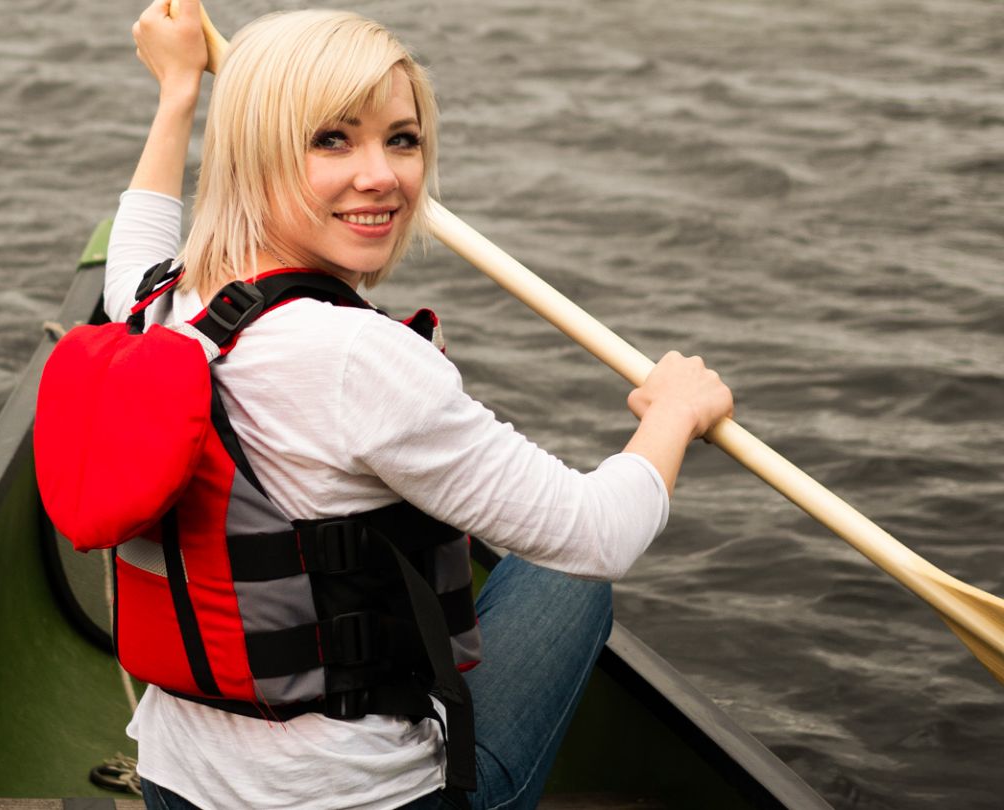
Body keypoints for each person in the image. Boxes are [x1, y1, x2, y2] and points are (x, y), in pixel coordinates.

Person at [104, 2, 734, 808]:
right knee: (570, 580)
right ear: (254, 155)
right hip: (357, 799)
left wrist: (178, 89)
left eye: (401, 139)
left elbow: (134, 250)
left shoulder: (162, 308)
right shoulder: (358, 358)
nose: (385, 175)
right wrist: (673, 413)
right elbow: (597, 534)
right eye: (333, 138)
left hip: (179, 784)